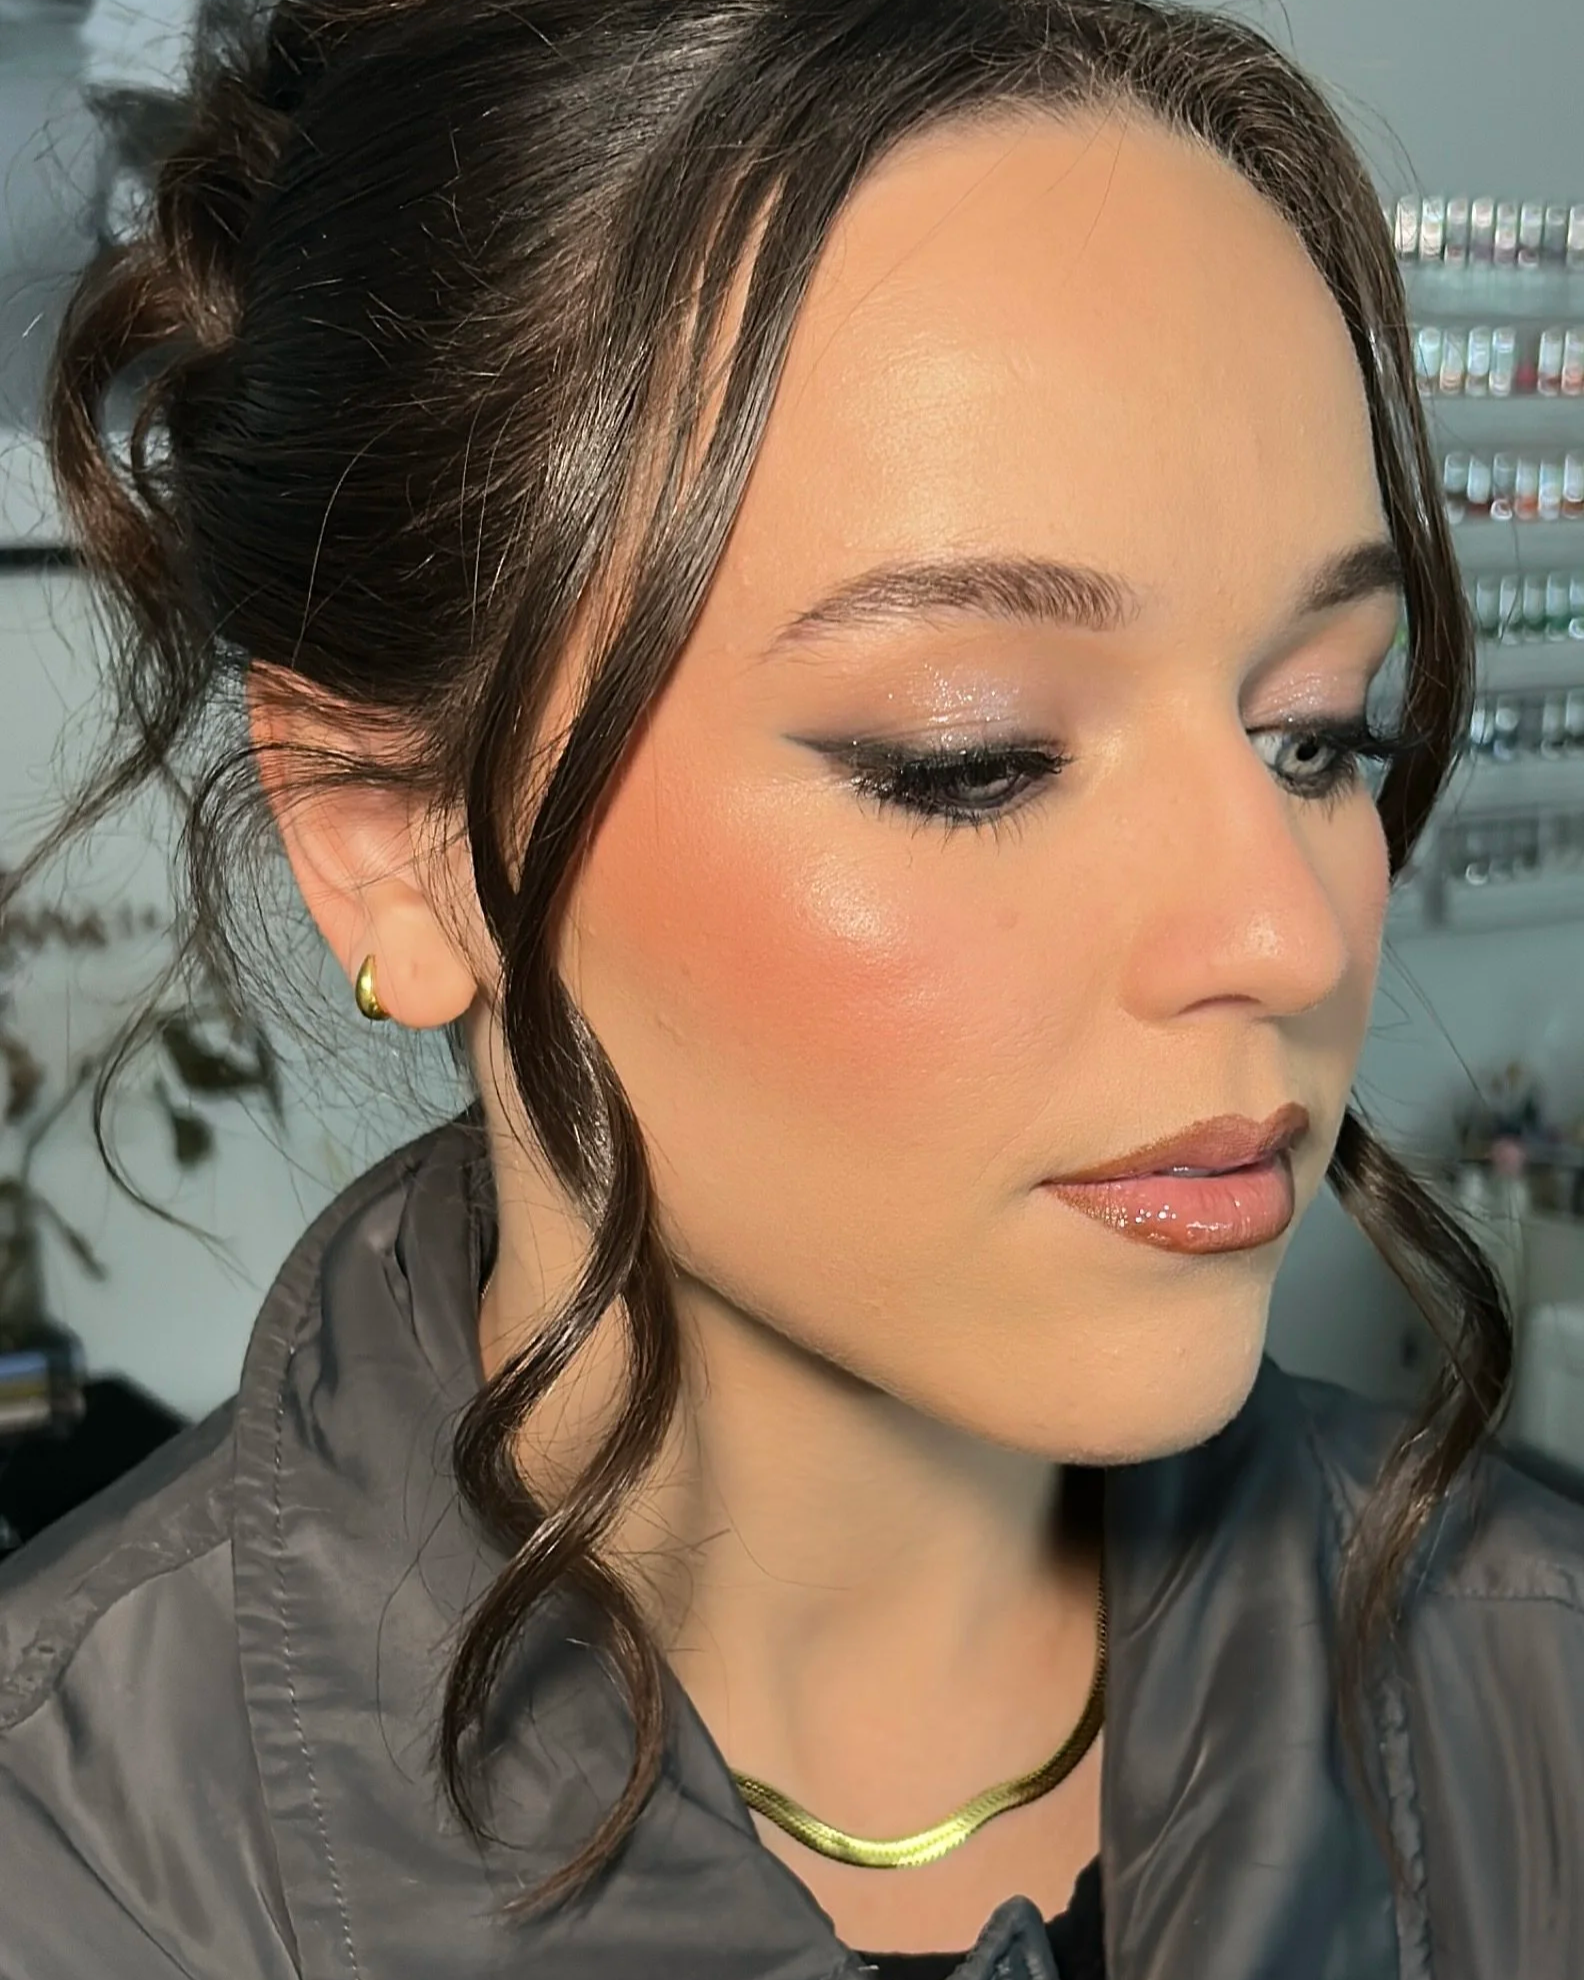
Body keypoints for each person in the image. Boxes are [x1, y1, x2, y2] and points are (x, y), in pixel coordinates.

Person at [2, 2, 1581, 1974]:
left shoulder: (1540, 1697)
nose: (1288, 930)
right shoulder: (67, 1873)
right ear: (389, 840)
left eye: (1321, 736)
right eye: (971, 752)